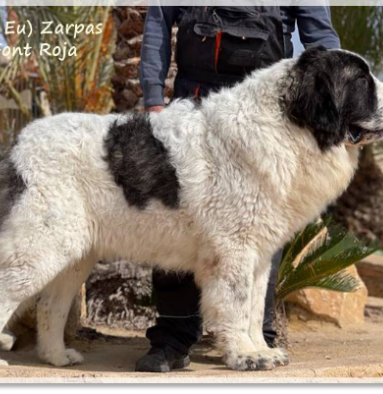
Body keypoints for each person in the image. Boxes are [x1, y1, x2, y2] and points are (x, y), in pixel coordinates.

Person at [136, 6, 340, 373]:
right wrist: (153, 97)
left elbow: (321, 40)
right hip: (194, 105)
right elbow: (159, 22)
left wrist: (340, 102)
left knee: (261, 228)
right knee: (176, 219)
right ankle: (173, 338)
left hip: (267, 116)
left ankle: (256, 336)